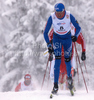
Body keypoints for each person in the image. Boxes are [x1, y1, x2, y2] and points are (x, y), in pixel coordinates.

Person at [43, 3, 81, 94]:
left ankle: (70, 80)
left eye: (60, 12)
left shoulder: (68, 15)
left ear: (64, 10)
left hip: (67, 40)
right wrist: (49, 45)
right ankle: (55, 85)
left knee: (68, 60)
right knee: (57, 61)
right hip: (57, 39)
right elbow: (45, 33)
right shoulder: (52, 17)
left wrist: (75, 36)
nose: (59, 14)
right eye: (57, 12)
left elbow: (78, 28)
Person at [48, 23, 86, 90]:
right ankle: (57, 84)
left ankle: (70, 82)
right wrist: (51, 43)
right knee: (59, 71)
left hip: (68, 54)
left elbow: (82, 40)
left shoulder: (73, 29)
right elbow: (49, 36)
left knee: (68, 69)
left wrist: (83, 52)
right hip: (58, 53)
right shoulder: (57, 26)